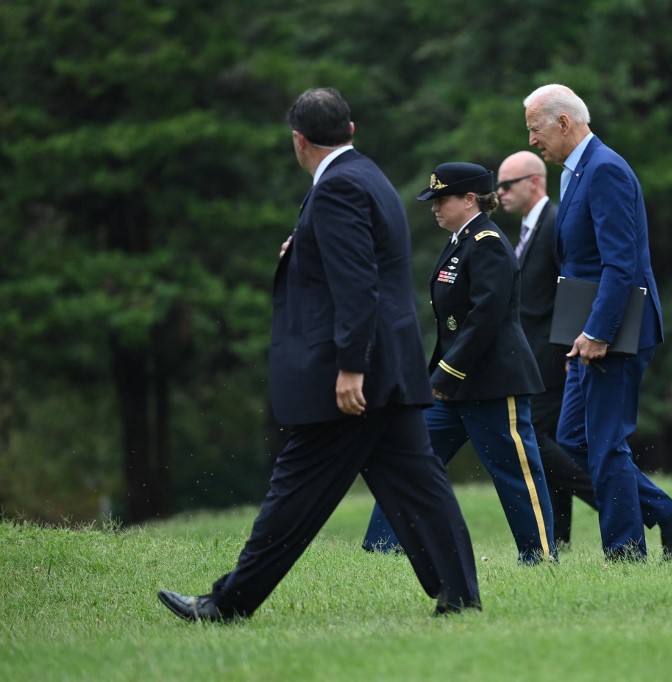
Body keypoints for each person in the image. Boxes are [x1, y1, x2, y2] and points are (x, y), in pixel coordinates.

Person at [157, 88, 480, 622]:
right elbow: (367, 261)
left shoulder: (337, 188)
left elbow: (357, 284)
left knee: (294, 494)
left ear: (298, 140)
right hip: (391, 367)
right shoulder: (368, 175)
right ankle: (459, 595)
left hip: (356, 375)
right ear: (350, 130)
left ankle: (226, 604)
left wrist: (350, 366)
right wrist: (303, 247)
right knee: (421, 488)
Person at [523, 83, 672, 561]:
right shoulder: (575, 172)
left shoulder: (606, 170)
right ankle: (669, 516)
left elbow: (619, 264)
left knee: (604, 444)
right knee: (574, 442)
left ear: (564, 123)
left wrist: (599, 332)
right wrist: (576, 338)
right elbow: (578, 265)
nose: (531, 141)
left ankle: (626, 554)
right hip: (586, 335)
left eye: (535, 129)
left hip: (617, 332)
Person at [362, 162, 557, 564]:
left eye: (442, 199)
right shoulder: (460, 239)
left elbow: (485, 316)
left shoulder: (487, 242)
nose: (434, 207)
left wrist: (447, 373)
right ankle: (382, 548)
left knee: (515, 473)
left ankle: (539, 557)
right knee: (410, 458)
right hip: (454, 385)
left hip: (491, 382)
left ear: (470, 200)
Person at [496, 150, 597, 549]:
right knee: (547, 441)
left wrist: (572, 347)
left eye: (507, 185)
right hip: (535, 358)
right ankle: (560, 538)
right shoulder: (527, 230)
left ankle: (623, 502)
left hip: (553, 357)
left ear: (535, 182)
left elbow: (573, 285)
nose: (499, 192)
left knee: (533, 438)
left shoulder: (554, 224)